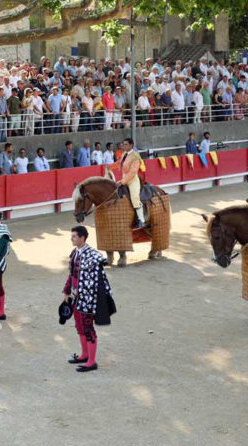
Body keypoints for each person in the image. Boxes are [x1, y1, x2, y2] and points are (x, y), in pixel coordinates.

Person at [63, 225, 113, 373]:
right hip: (76, 295)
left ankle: (92, 361)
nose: (71, 239)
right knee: (79, 325)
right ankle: (85, 354)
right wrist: (66, 290)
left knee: (87, 327)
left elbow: (100, 263)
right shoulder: (75, 252)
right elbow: (72, 274)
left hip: (88, 297)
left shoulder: (92, 255)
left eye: (74, 236)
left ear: (82, 238)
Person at [118, 138, 145, 227]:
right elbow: (119, 164)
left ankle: (141, 219)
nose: (124, 146)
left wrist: (122, 181)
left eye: (126, 144)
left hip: (132, 181)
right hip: (123, 179)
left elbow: (132, 172)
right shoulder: (124, 154)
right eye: (123, 144)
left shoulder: (135, 156)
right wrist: (109, 167)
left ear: (131, 145)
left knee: (135, 198)